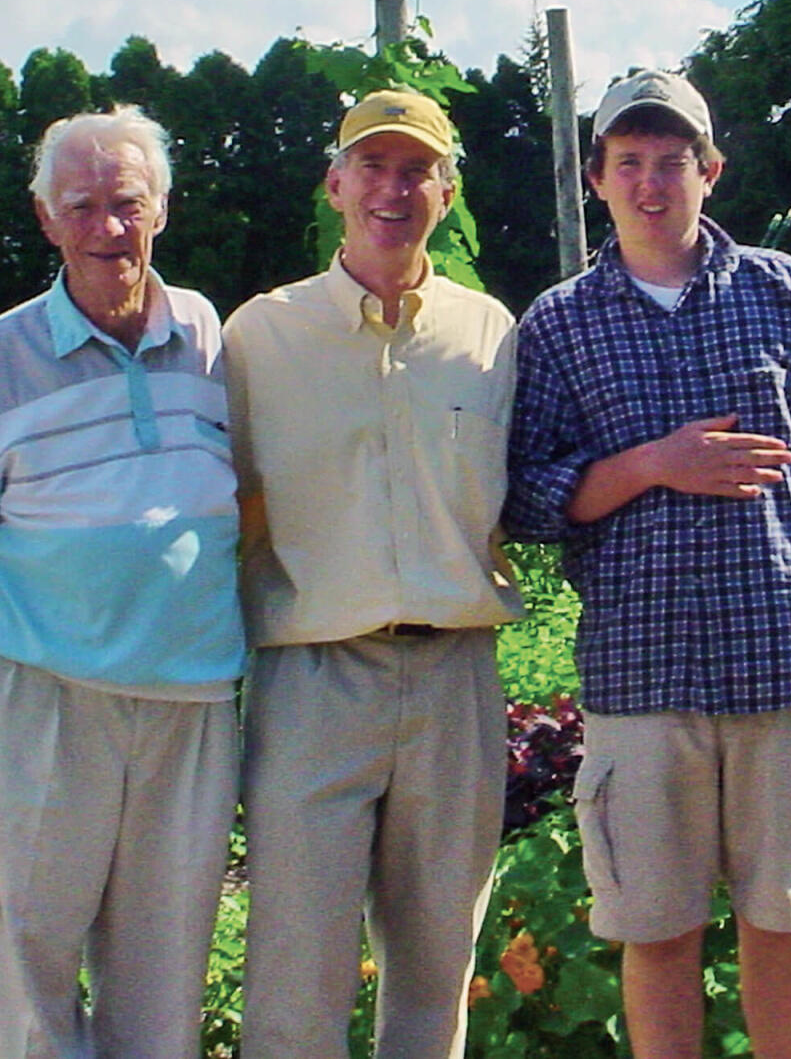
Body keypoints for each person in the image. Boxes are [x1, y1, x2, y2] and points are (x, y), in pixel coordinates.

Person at [504, 70, 791, 1058]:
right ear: (596, 177)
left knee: (782, 914)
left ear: (708, 171)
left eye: (670, 162)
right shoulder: (558, 323)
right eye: (627, 163)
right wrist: (652, 466)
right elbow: (528, 498)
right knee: (657, 929)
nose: (650, 183)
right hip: (644, 675)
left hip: (782, 657)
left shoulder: (778, 288)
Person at [0, 106, 245, 1058]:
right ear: (47, 219)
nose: (108, 228)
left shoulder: (213, 340)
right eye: (81, 206)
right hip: (39, 701)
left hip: (191, 706)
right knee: (29, 978)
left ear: (161, 209)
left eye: (127, 203)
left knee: (166, 982)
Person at [222, 89, 524, 1059]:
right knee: (295, 978)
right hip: (312, 680)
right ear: (335, 181)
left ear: (445, 189)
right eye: (373, 166)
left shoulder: (492, 338)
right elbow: (211, 512)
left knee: (435, 977)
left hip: (454, 679)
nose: (392, 188)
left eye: (415, 170)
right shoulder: (257, 339)